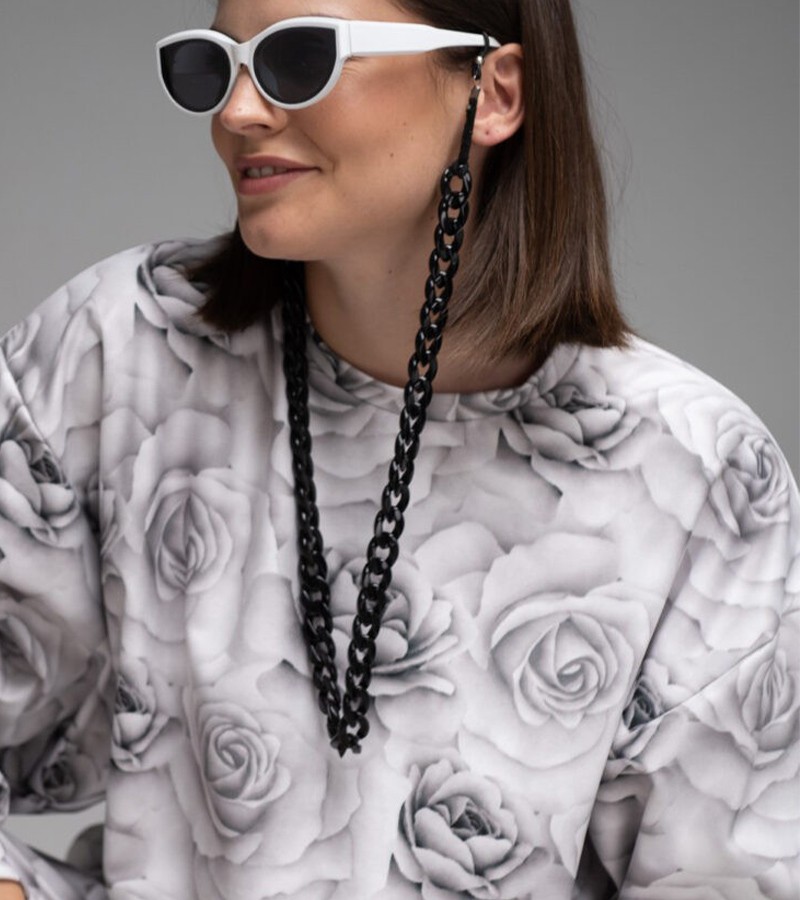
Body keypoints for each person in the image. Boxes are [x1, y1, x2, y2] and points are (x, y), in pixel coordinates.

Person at [0, 0, 797, 897]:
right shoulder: (121, 353)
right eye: (211, 66)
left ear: (493, 94)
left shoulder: (700, 474)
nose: (237, 112)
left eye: (300, 58)